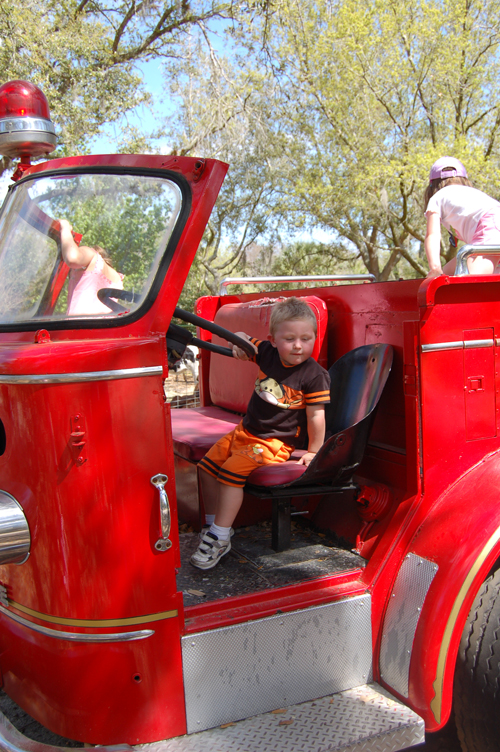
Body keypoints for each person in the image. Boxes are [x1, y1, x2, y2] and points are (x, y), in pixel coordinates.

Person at [190, 297, 331, 570]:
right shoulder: (267, 352)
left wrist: (314, 451)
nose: (299, 345)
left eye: (306, 338)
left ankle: (219, 537)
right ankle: (213, 524)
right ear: (274, 339)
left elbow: (316, 416)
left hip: (275, 442)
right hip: (245, 432)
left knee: (230, 472)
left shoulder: (314, 375)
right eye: (290, 338)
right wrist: (238, 342)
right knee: (206, 468)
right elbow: (242, 338)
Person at [424, 156, 500, 278]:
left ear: (432, 186)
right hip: (493, 227)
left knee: (470, 284)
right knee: (449, 271)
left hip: (490, 227)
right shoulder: (472, 195)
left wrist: (435, 268)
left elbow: (432, 235)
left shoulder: (437, 198)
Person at [59, 219, 124, 315]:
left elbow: (72, 257)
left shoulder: (93, 255)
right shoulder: (117, 280)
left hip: (80, 327)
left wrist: (64, 228)